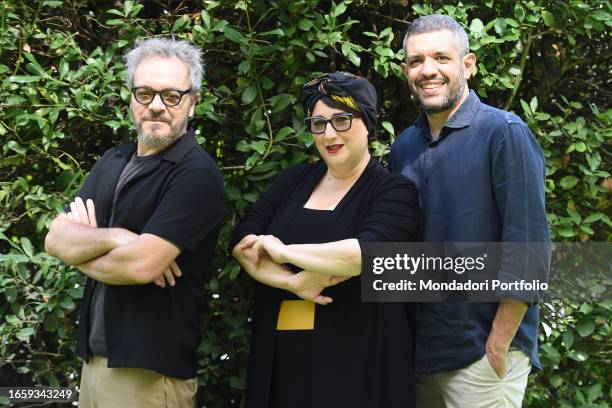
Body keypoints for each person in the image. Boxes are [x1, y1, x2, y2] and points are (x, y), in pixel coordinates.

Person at [44, 37, 226, 407]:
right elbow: (55, 238)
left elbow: (143, 265)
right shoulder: (113, 160)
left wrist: (88, 243)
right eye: (144, 93)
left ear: (193, 102)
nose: (156, 106)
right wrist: (122, 238)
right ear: (131, 97)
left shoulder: (196, 174)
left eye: (171, 96)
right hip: (94, 364)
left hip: (148, 375)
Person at [231, 72, 420, 408]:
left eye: (342, 120)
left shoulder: (394, 191)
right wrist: (294, 284)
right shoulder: (293, 180)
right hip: (283, 362)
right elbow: (243, 243)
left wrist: (282, 250)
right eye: (318, 123)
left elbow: (363, 254)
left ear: (368, 123)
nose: (329, 133)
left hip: (358, 363)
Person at [390, 15, 551, 408]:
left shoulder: (504, 132)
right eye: (416, 61)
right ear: (405, 70)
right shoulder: (404, 146)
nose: (428, 70)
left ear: (468, 64)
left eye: (441, 58)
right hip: (420, 354)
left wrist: (498, 344)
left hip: (483, 355)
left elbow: (528, 246)